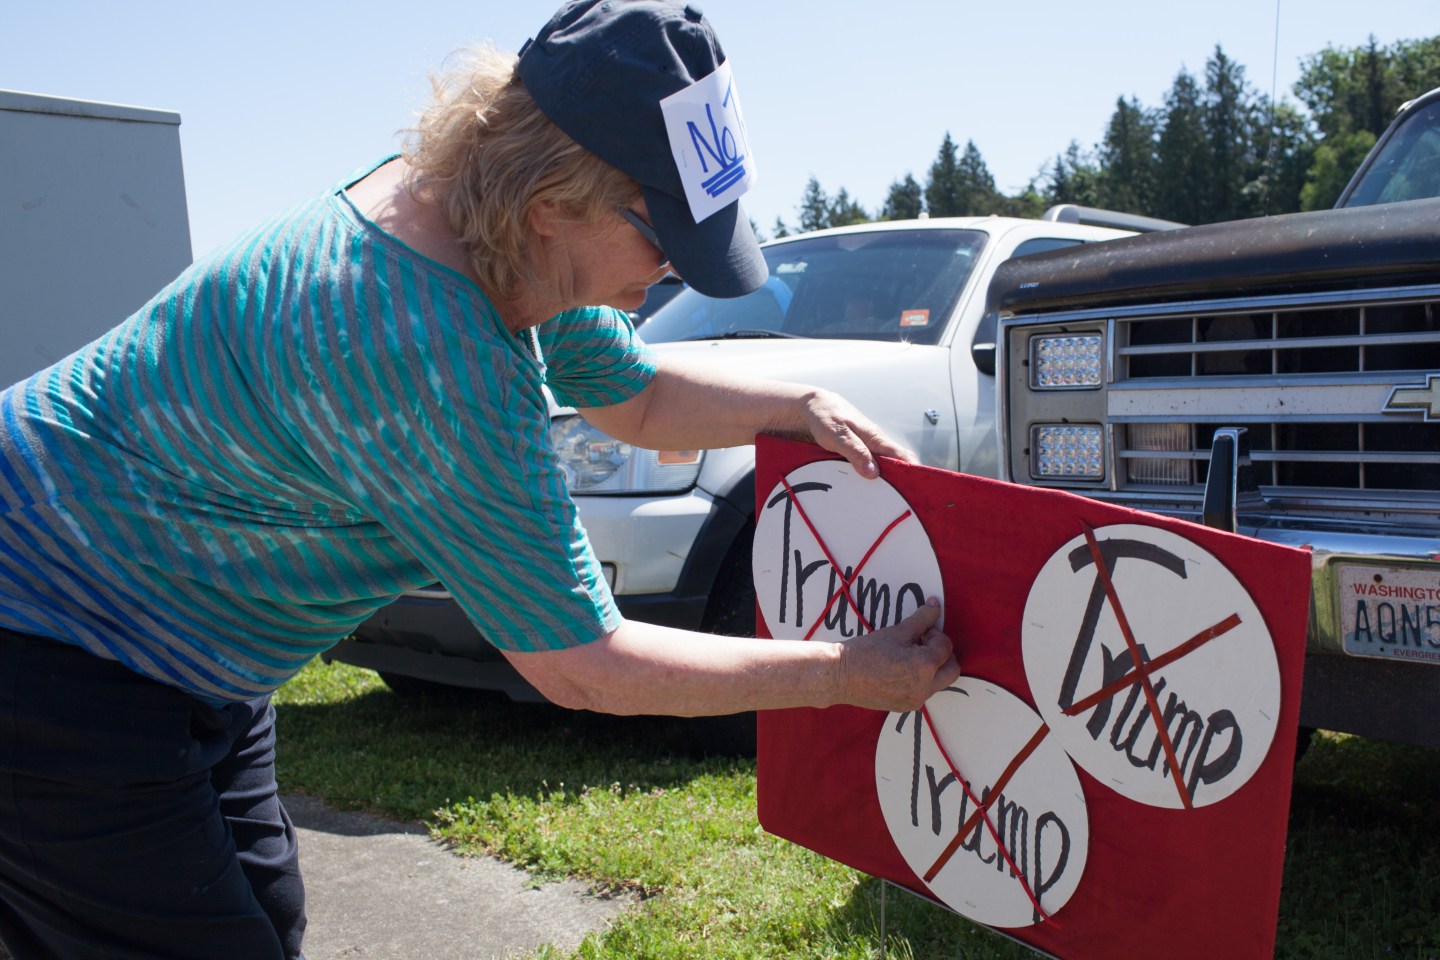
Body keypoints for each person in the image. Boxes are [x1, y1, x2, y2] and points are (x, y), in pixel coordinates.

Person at [0, 2, 960, 957]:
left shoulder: (492, 233)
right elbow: (586, 667)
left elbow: (637, 396)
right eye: (662, 232)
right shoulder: (424, 346)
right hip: (52, 639)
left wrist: (796, 404)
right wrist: (849, 673)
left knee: (264, 921)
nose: (678, 268)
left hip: (184, 646)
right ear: (554, 199)